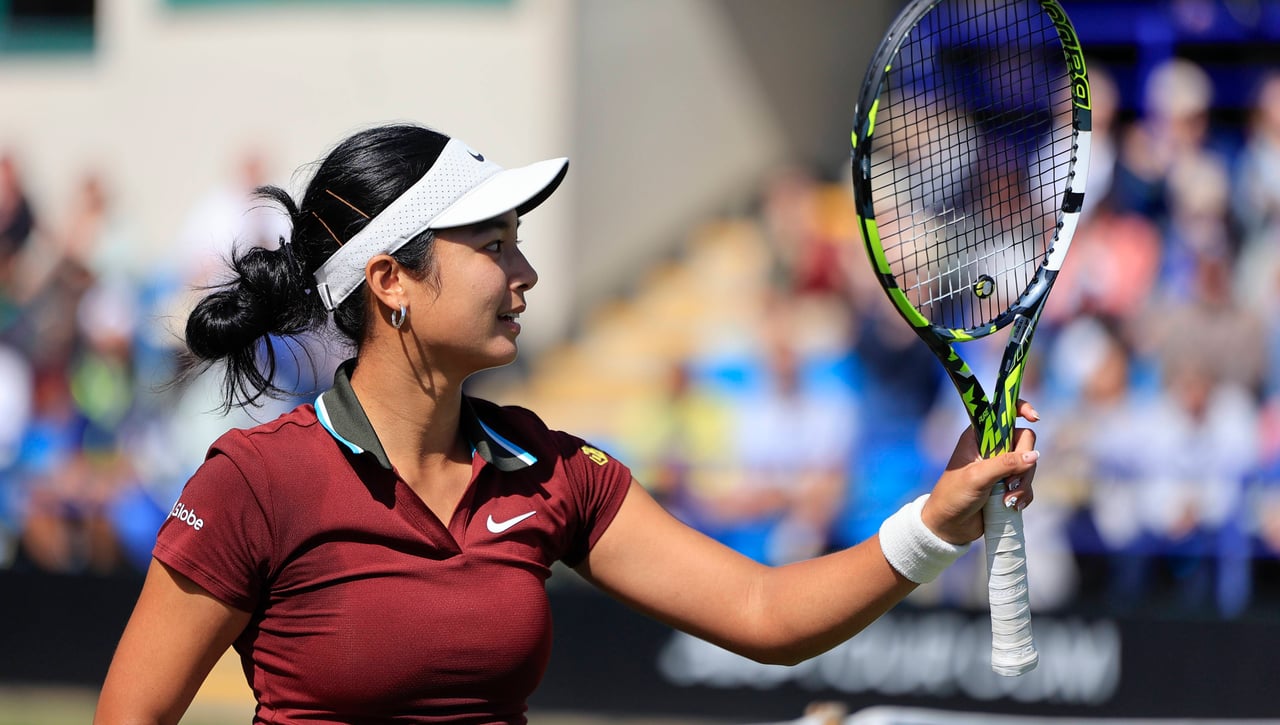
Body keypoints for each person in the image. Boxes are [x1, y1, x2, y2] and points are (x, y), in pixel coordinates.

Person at [93, 123, 1040, 725]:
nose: (526, 275)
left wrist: (937, 519)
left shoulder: (553, 469)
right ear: (391, 282)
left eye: (520, 244)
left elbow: (766, 615)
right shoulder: (256, 481)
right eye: (492, 246)